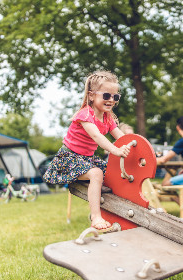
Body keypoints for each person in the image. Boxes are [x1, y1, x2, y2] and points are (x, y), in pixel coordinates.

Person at [43, 70, 131, 231]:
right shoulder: (85, 115)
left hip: (86, 159)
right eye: (106, 96)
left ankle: (119, 206)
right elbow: (97, 137)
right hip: (69, 158)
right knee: (96, 173)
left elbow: (121, 137)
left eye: (115, 97)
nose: (111, 100)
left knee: (113, 172)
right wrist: (115, 150)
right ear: (91, 95)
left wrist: (134, 147)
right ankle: (95, 216)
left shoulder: (107, 118)